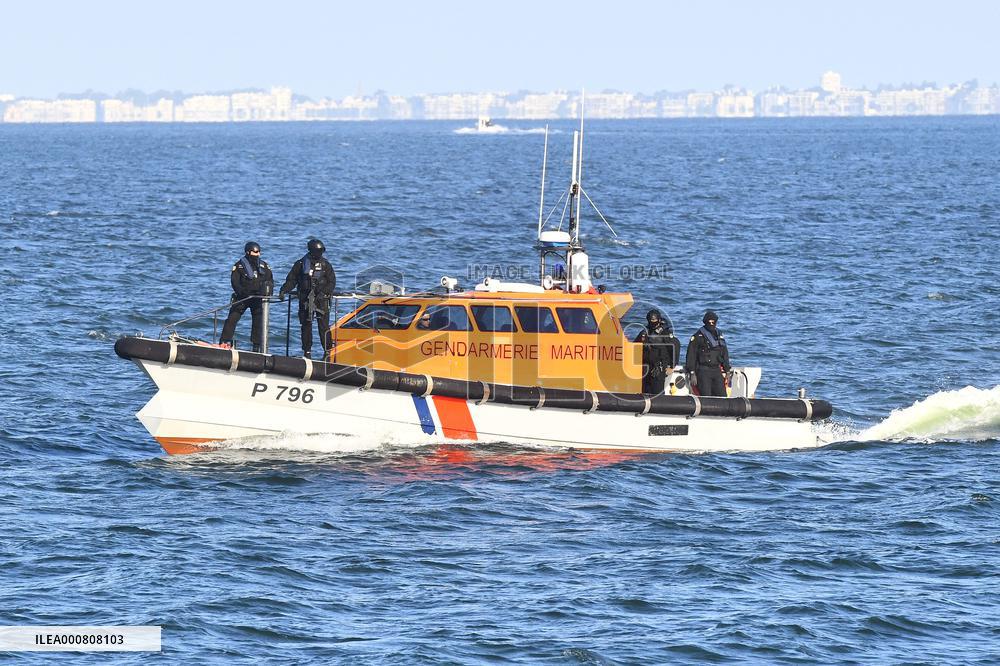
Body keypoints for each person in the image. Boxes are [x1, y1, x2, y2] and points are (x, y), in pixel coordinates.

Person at [279, 238, 336, 358]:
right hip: (305, 298)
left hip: (322, 299)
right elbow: (292, 280)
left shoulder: (326, 265)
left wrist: (323, 294)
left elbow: (331, 282)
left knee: (324, 326)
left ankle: (327, 351)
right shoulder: (300, 264)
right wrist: (284, 290)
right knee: (306, 325)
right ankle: (307, 351)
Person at [219, 241, 274, 352]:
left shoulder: (264, 266)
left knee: (258, 321)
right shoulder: (239, 266)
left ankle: (256, 346)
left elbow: (270, 281)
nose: (258, 254)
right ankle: (224, 342)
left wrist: (268, 292)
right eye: (255, 252)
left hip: (258, 298)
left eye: (259, 252)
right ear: (248, 252)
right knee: (232, 319)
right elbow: (235, 282)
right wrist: (242, 293)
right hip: (243, 297)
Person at [685, 309, 732, 397]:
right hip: (703, 371)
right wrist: (692, 372)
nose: (711, 324)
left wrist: (727, 371)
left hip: (716, 370)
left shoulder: (719, 335)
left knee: (722, 396)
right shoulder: (697, 336)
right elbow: (691, 355)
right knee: (706, 396)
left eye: (713, 322)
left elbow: (724, 354)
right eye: (709, 322)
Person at [633, 309, 681, 394]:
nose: (653, 323)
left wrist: (672, 366)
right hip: (645, 367)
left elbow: (675, 347)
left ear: (659, 320)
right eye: (651, 321)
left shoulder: (665, 333)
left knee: (657, 392)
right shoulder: (644, 332)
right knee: (644, 391)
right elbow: (634, 346)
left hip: (658, 367)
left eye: (655, 321)